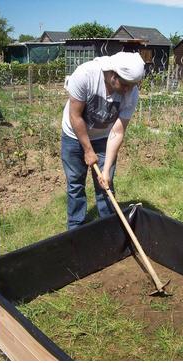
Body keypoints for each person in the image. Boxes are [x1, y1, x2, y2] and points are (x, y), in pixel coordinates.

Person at [61, 51, 145, 229]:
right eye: (125, 85)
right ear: (113, 74)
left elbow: (118, 131)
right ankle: (76, 228)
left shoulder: (132, 92)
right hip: (74, 135)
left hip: (104, 137)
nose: (128, 90)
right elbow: (75, 116)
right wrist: (88, 150)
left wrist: (106, 169)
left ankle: (108, 227)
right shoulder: (85, 75)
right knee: (75, 183)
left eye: (132, 85)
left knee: (105, 184)